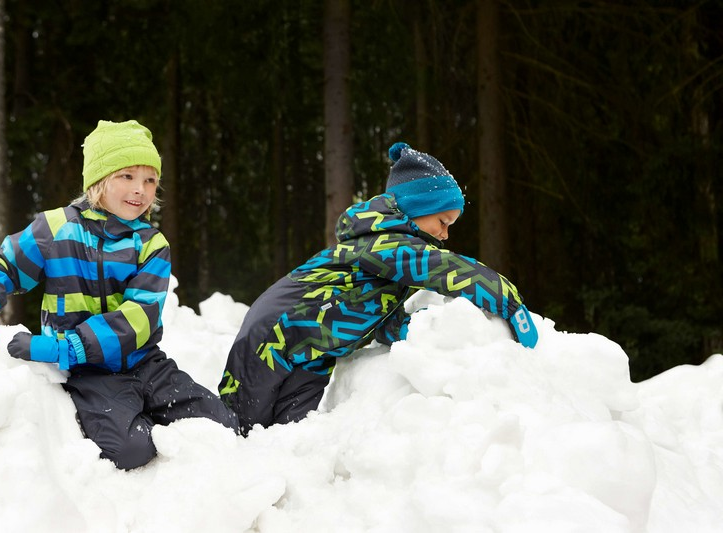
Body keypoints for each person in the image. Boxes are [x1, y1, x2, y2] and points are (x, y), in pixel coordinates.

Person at [0, 119, 238, 469]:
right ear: (99, 180)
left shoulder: (151, 244)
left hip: (145, 362)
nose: (140, 190)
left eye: (150, 180)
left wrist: (64, 346)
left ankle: (149, 410)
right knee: (133, 449)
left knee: (223, 426)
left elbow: (139, 315)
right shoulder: (57, 228)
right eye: (127, 177)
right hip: (92, 374)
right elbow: (5, 263)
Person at [218, 142, 538, 435]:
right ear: (416, 208)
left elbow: (376, 315)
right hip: (270, 338)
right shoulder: (383, 247)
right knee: (242, 433)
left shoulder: (389, 265)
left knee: (288, 440)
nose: (445, 234)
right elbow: (447, 269)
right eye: (442, 221)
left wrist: (426, 332)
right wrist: (510, 305)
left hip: (311, 356)